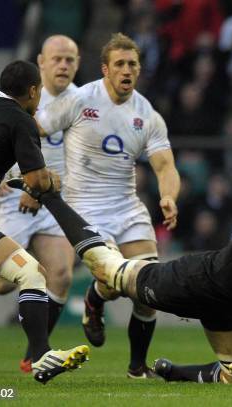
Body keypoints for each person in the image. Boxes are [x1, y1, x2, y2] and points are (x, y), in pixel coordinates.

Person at [7, 177, 232, 383]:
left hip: (228, 307)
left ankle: (171, 372)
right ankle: (51, 197)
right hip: (192, 283)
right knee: (106, 267)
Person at [34, 33, 180, 378]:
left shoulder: (147, 114)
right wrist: (27, 172)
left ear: (139, 69)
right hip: (85, 208)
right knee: (116, 281)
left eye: (132, 64)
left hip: (127, 207)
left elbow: (165, 165)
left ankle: (136, 367)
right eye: (119, 64)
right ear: (105, 69)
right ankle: (96, 299)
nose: (126, 70)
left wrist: (169, 195)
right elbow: (35, 129)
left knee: (148, 286)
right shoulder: (80, 99)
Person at [0, 60, 88, 384]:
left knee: (31, 272)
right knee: (26, 274)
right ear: (34, 90)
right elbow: (37, 182)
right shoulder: (20, 120)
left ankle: (40, 356)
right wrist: (51, 180)